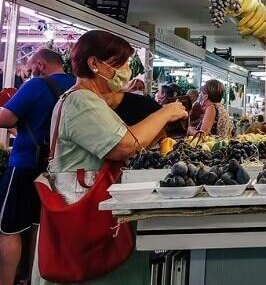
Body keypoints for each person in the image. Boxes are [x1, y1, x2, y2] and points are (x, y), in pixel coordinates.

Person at [37, 30, 187, 285]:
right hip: (85, 219)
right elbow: (125, 145)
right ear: (94, 63)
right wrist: (164, 113)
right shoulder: (81, 101)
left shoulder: (90, 100)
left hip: (89, 216)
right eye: (121, 63)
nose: (127, 70)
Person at [0, 49, 74, 285]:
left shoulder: (36, 85)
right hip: (58, 169)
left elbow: (6, 118)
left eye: (31, 67)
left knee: (8, 229)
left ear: (41, 65)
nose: (29, 73)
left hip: (24, 164)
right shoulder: (77, 86)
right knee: (38, 226)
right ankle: (33, 279)